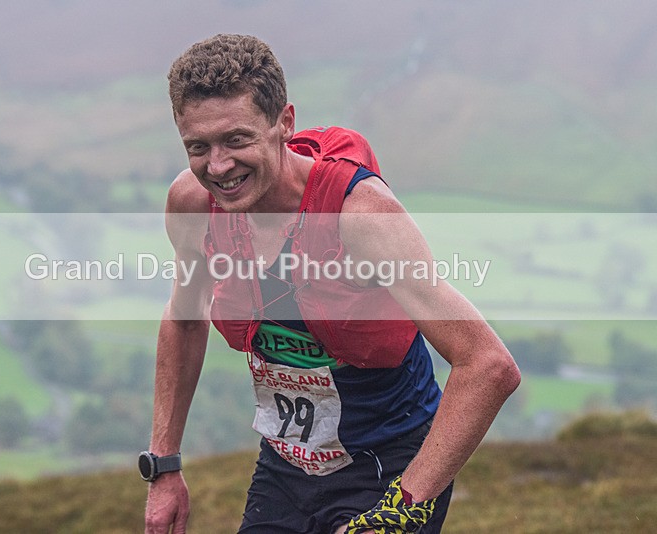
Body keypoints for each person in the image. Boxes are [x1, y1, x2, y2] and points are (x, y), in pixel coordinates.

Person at [142, 34, 520, 534]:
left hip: (392, 464)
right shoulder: (191, 206)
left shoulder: (360, 215)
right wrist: (163, 467)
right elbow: (185, 321)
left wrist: (400, 511)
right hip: (286, 465)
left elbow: (488, 365)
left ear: (285, 123)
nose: (218, 166)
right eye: (198, 146)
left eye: (237, 139)